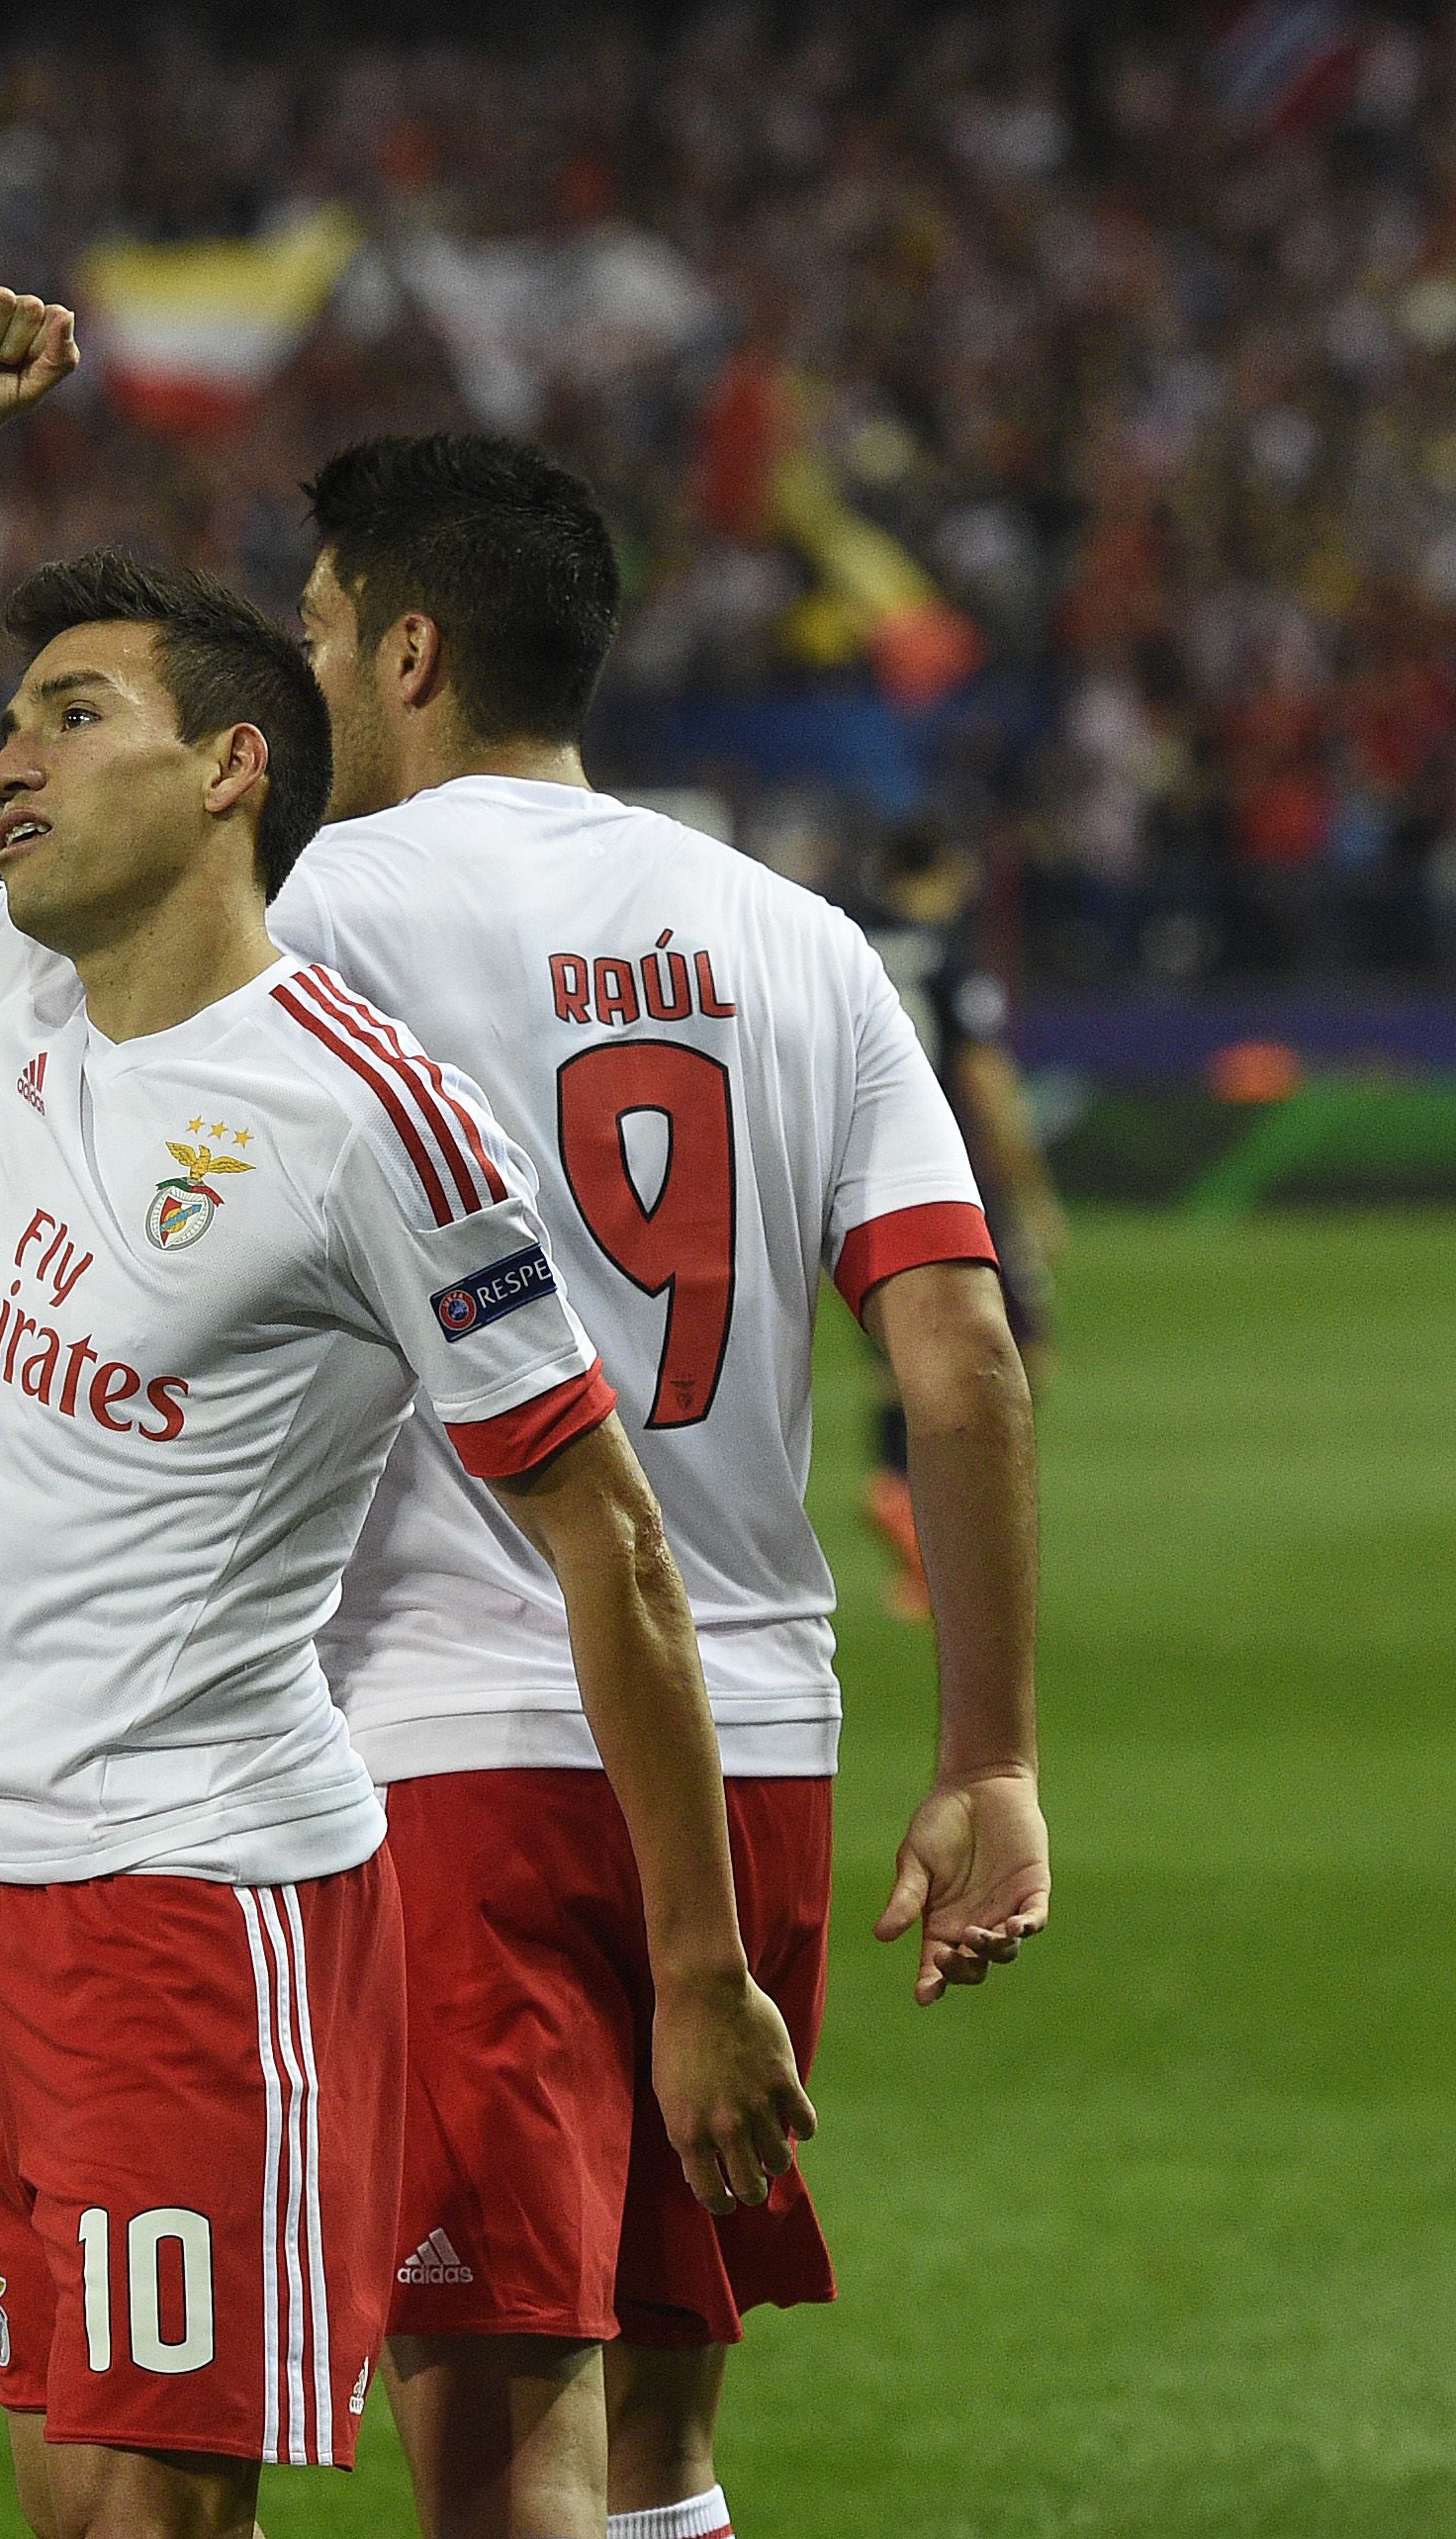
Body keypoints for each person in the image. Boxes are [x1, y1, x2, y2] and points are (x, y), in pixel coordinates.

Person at [0, 290, 810, 2539]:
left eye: (67, 714)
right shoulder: (15, 989)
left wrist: (692, 1973)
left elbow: (604, 1533)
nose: (2, 759)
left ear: (225, 768)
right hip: (8, 1876)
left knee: (136, 2518)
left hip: (200, 1898)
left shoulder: (366, 1114)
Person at [275, 433, 1051, 2539]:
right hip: (759, 1740)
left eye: (325, 632)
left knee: (493, 2432)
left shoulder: (302, 908)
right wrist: (987, 1748)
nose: (309, 674)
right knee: (663, 2444)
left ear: (410, 647)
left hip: (456, 1740)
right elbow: (961, 1355)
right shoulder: (796, 938)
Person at [856, 823, 1064, 1620]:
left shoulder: (846, 940)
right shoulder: (948, 954)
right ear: (941, 870)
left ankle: (893, 1489)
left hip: (864, 1169)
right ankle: (936, 1517)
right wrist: (1031, 1190)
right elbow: (982, 1073)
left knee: (900, 1352)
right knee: (1022, 1352)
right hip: (951, 1173)